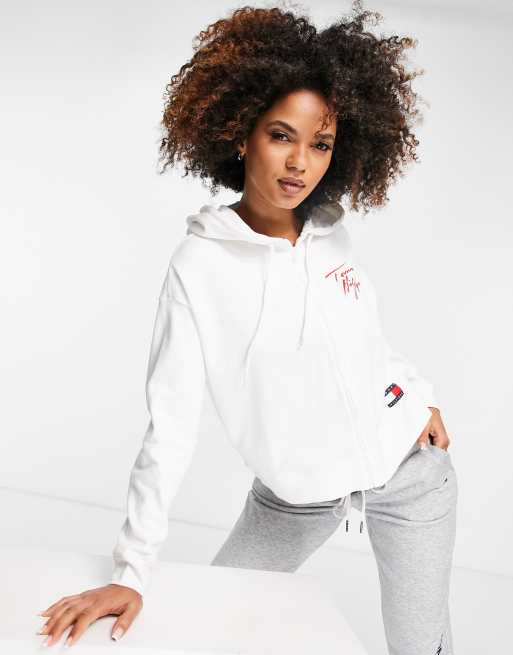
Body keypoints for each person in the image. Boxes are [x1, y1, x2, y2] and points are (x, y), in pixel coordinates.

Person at [37, 3, 457, 653]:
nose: (300, 163)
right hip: (292, 499)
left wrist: (417, 391)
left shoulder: (330, 235)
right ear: (241, 134)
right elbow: (170, 427)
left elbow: (362, 339)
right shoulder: (199, 267)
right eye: (281, 135)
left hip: (412, 478)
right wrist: (130, 572)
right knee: (212, 626)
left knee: (421, 647)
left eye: (320, 144)